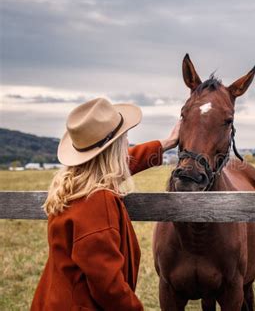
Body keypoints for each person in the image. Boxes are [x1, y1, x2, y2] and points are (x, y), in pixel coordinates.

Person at [31, 97, 180, 310]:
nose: (128, 142)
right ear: (115, 148)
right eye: (125, 138)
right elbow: (108, 287)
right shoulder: (97, 202)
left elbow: (116, 163)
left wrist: (165, 144)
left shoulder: (74, 185)